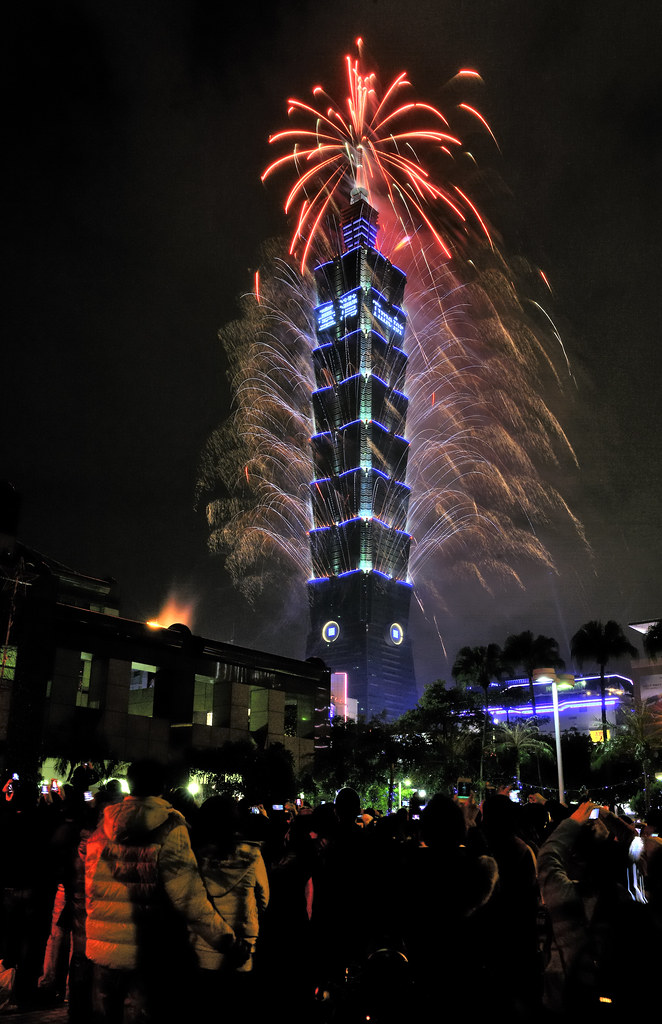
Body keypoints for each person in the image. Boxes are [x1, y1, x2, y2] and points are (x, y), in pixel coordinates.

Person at [84, 759, 247, 1023]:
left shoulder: (102, 826)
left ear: (130, 784)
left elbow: (91, 886)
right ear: (163, 787)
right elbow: (190, 900)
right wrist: (227, 940)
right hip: (146, 954)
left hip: (102, 954)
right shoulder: (170, 827)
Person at [190, 796, 269, 1015]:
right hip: (243, 945)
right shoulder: (252, 854)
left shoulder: (197, 856)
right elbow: (263, 897)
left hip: (204, 947)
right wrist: (251, 915)